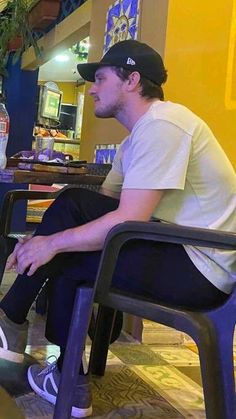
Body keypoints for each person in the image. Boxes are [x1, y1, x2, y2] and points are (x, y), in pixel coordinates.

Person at [0, 39, 235, 418]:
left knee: (68, 243)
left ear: (132, 80)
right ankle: (49, 358)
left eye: (101, 77)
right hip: (177, 252)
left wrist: (50, 244)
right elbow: (96, 210)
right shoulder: (135, 140)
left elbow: (129, 219)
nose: (92, 87)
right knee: (72, 215)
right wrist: (49, 241)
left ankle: (21, 327)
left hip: (201, 268)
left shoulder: (165, 123)